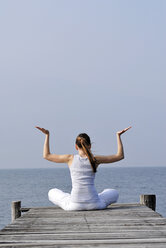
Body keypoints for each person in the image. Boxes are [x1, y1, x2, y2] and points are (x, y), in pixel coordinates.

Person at [36, 126, 131, 211]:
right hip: (95, 204)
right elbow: (120, 156)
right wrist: (118, 136)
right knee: (114, 192)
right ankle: (91, 197)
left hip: (74, 205)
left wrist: (47, 135)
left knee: (52, 192)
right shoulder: (95, 159)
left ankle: (73, 197)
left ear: (76, 147)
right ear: (90, 146)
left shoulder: (70, 158)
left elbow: (46, 155)